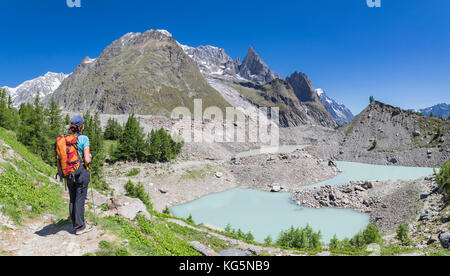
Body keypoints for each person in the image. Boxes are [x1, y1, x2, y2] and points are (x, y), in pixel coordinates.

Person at [67, 115, 93, 235]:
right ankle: (80, 227)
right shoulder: (84, 138)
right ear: (81, 126)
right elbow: (87, 159)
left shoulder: (66, 138)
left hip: (69, 172)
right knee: (80, 198)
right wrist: (90, 157)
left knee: (72, 198)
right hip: (80, 172)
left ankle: (75, 224)